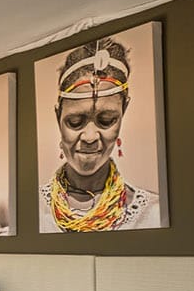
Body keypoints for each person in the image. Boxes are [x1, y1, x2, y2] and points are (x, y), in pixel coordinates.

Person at [38, 38, 161, 232]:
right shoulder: (31, 211)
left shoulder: (154, 215)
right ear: (57, 117)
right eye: (75, 122)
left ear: (123, 113)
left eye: (106, 120)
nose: (90, 137)